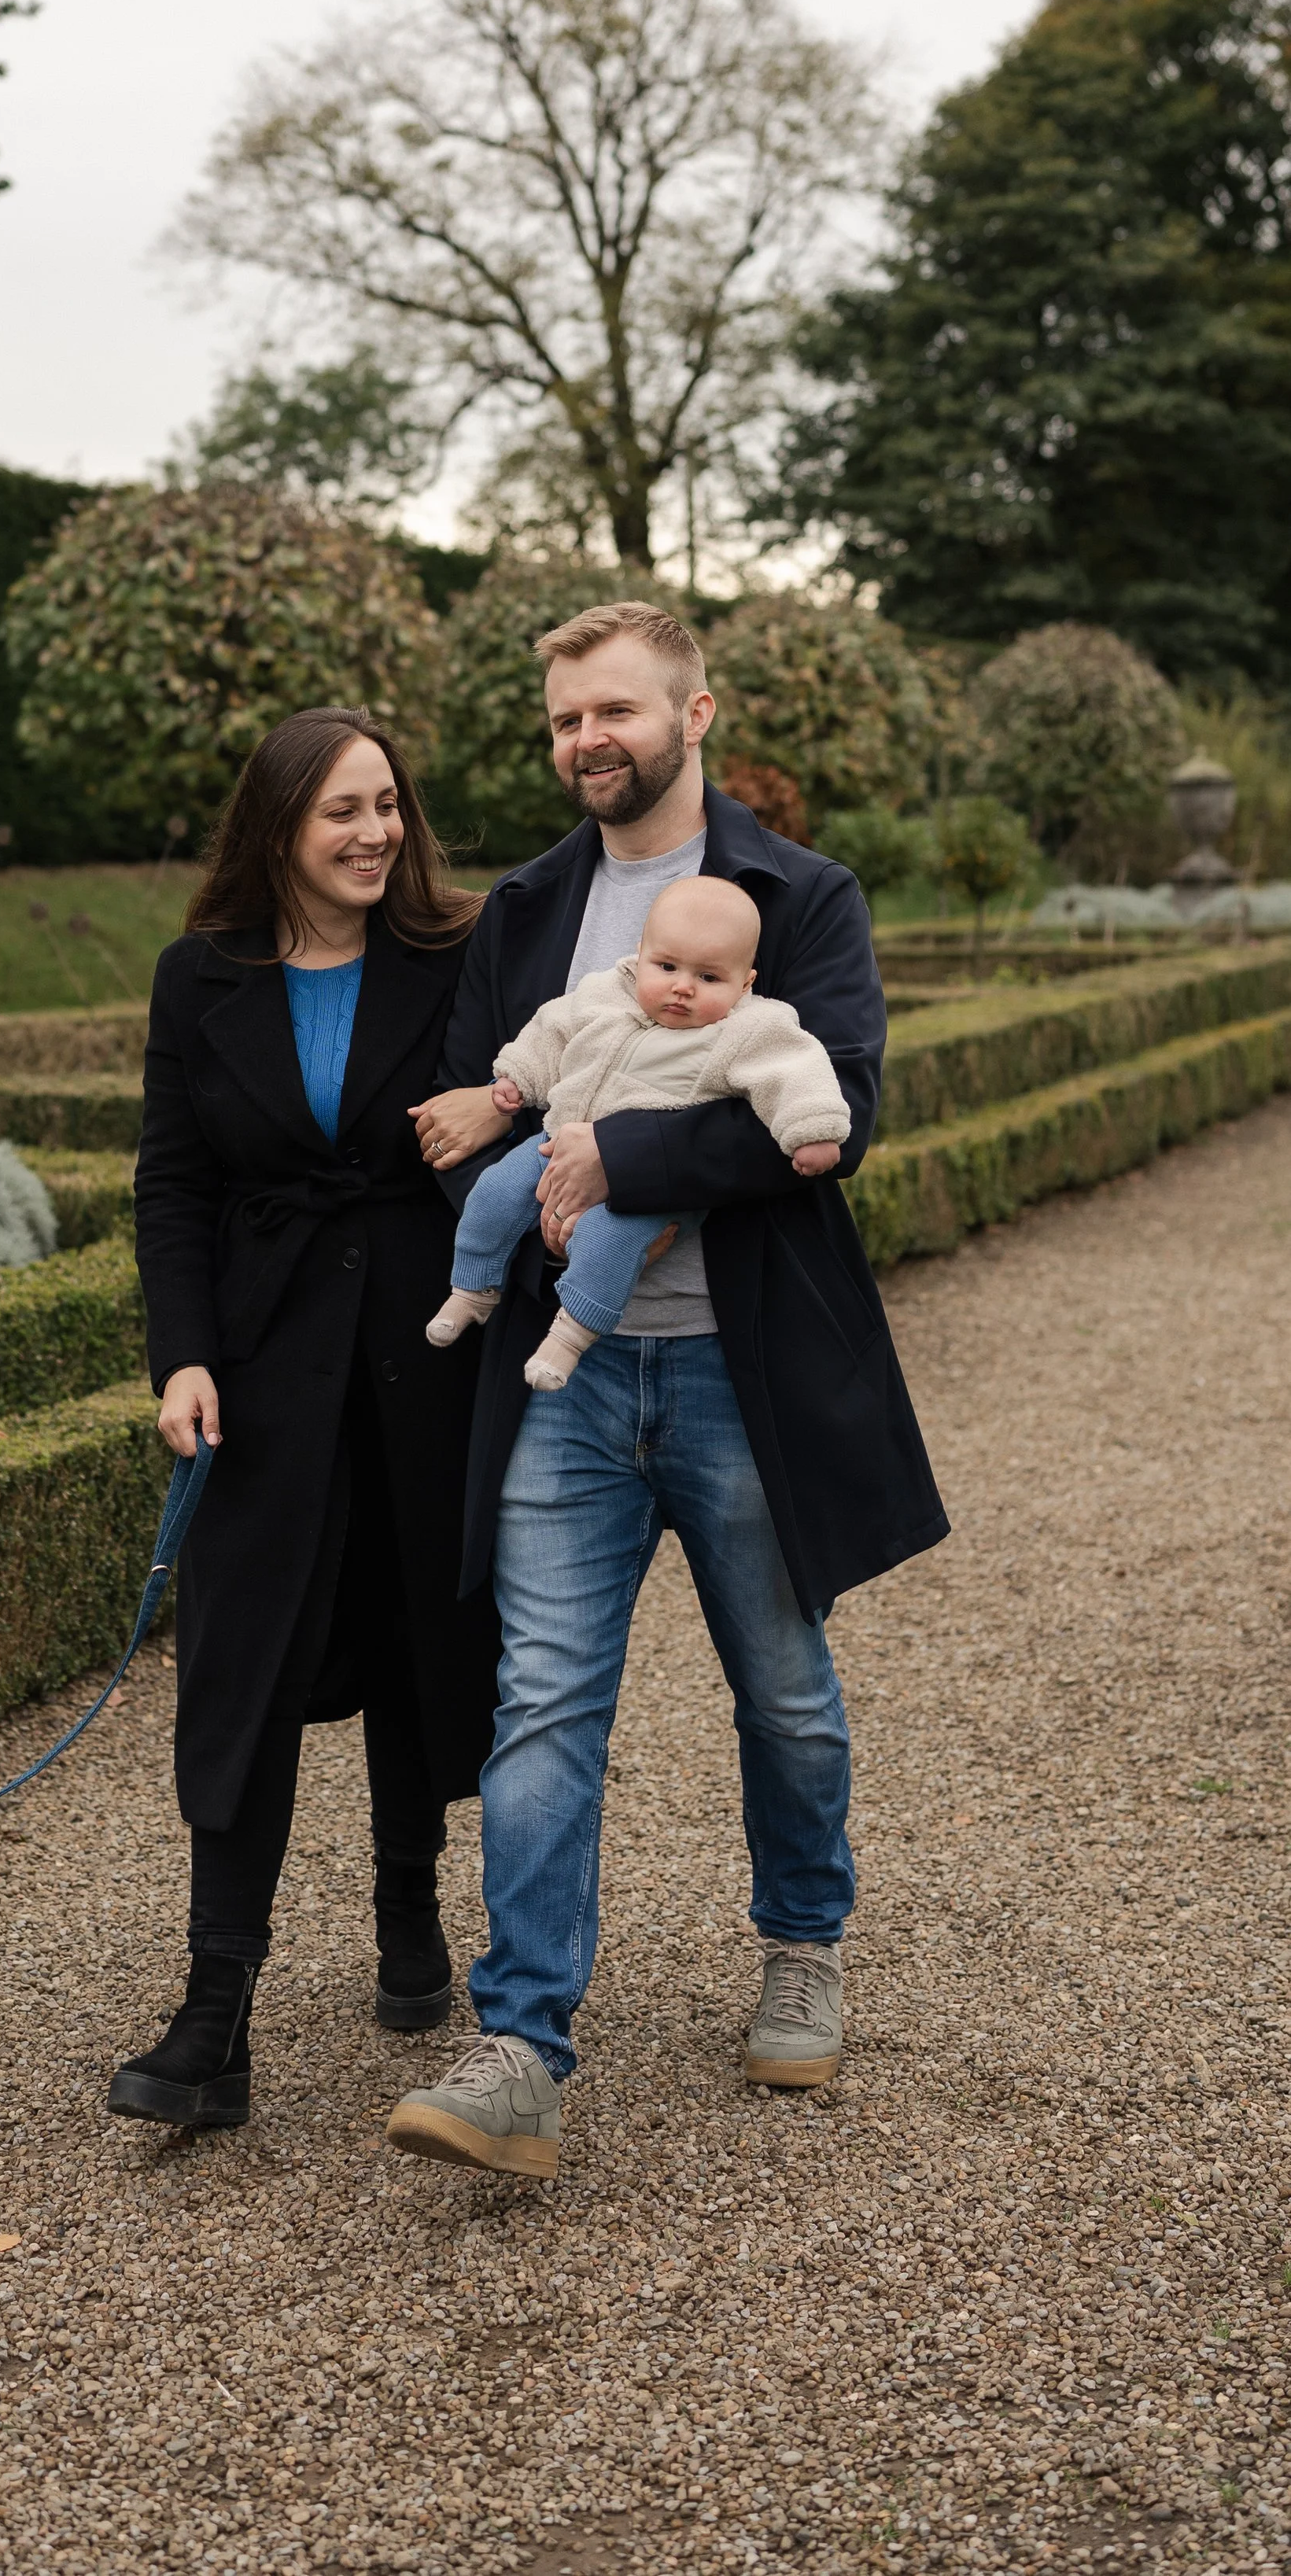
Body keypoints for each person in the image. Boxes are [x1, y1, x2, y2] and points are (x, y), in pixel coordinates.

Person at [384, 600, 949, 2183]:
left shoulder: (802, 897)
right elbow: (473, 1108)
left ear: (694, 717)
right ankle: (520, 2047)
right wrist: (517, 1190)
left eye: (615, 711)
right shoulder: (521, 908)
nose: (586, 741)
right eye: (565, 718)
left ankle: (801, 1942)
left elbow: (831, 1113)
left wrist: (614, 1152)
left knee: (777, 1683)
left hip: (737, 1374)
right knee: (542, 1698)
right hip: (564, 1380)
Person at [109, 706, 501, 2131]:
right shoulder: (196, 975)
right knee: (243, 1667)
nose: (374, 833)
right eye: (342, 810)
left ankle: (410, 1912)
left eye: (388, 805)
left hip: (425, 1348)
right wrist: (183, 1356)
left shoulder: (458, 955)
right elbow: (173, 1185)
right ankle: (216, 2016)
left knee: (413, 1637)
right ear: (277, 823)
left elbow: (537, 1094)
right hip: (266, 1366)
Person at [426, 874, 850, 1390]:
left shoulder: (748, 1029)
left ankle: (571, 1335)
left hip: (659, 1183)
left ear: (745, 983)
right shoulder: (608, 992)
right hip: (560, 1139)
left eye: (709, 977)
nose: (681, 987)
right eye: (666, 966)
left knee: (609, 1236)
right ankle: (472, 1288)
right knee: (494, 1191)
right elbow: (552, 1028)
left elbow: (795, 1070)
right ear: (641, 955)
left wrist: (811, 1130)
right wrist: (517, 1077)